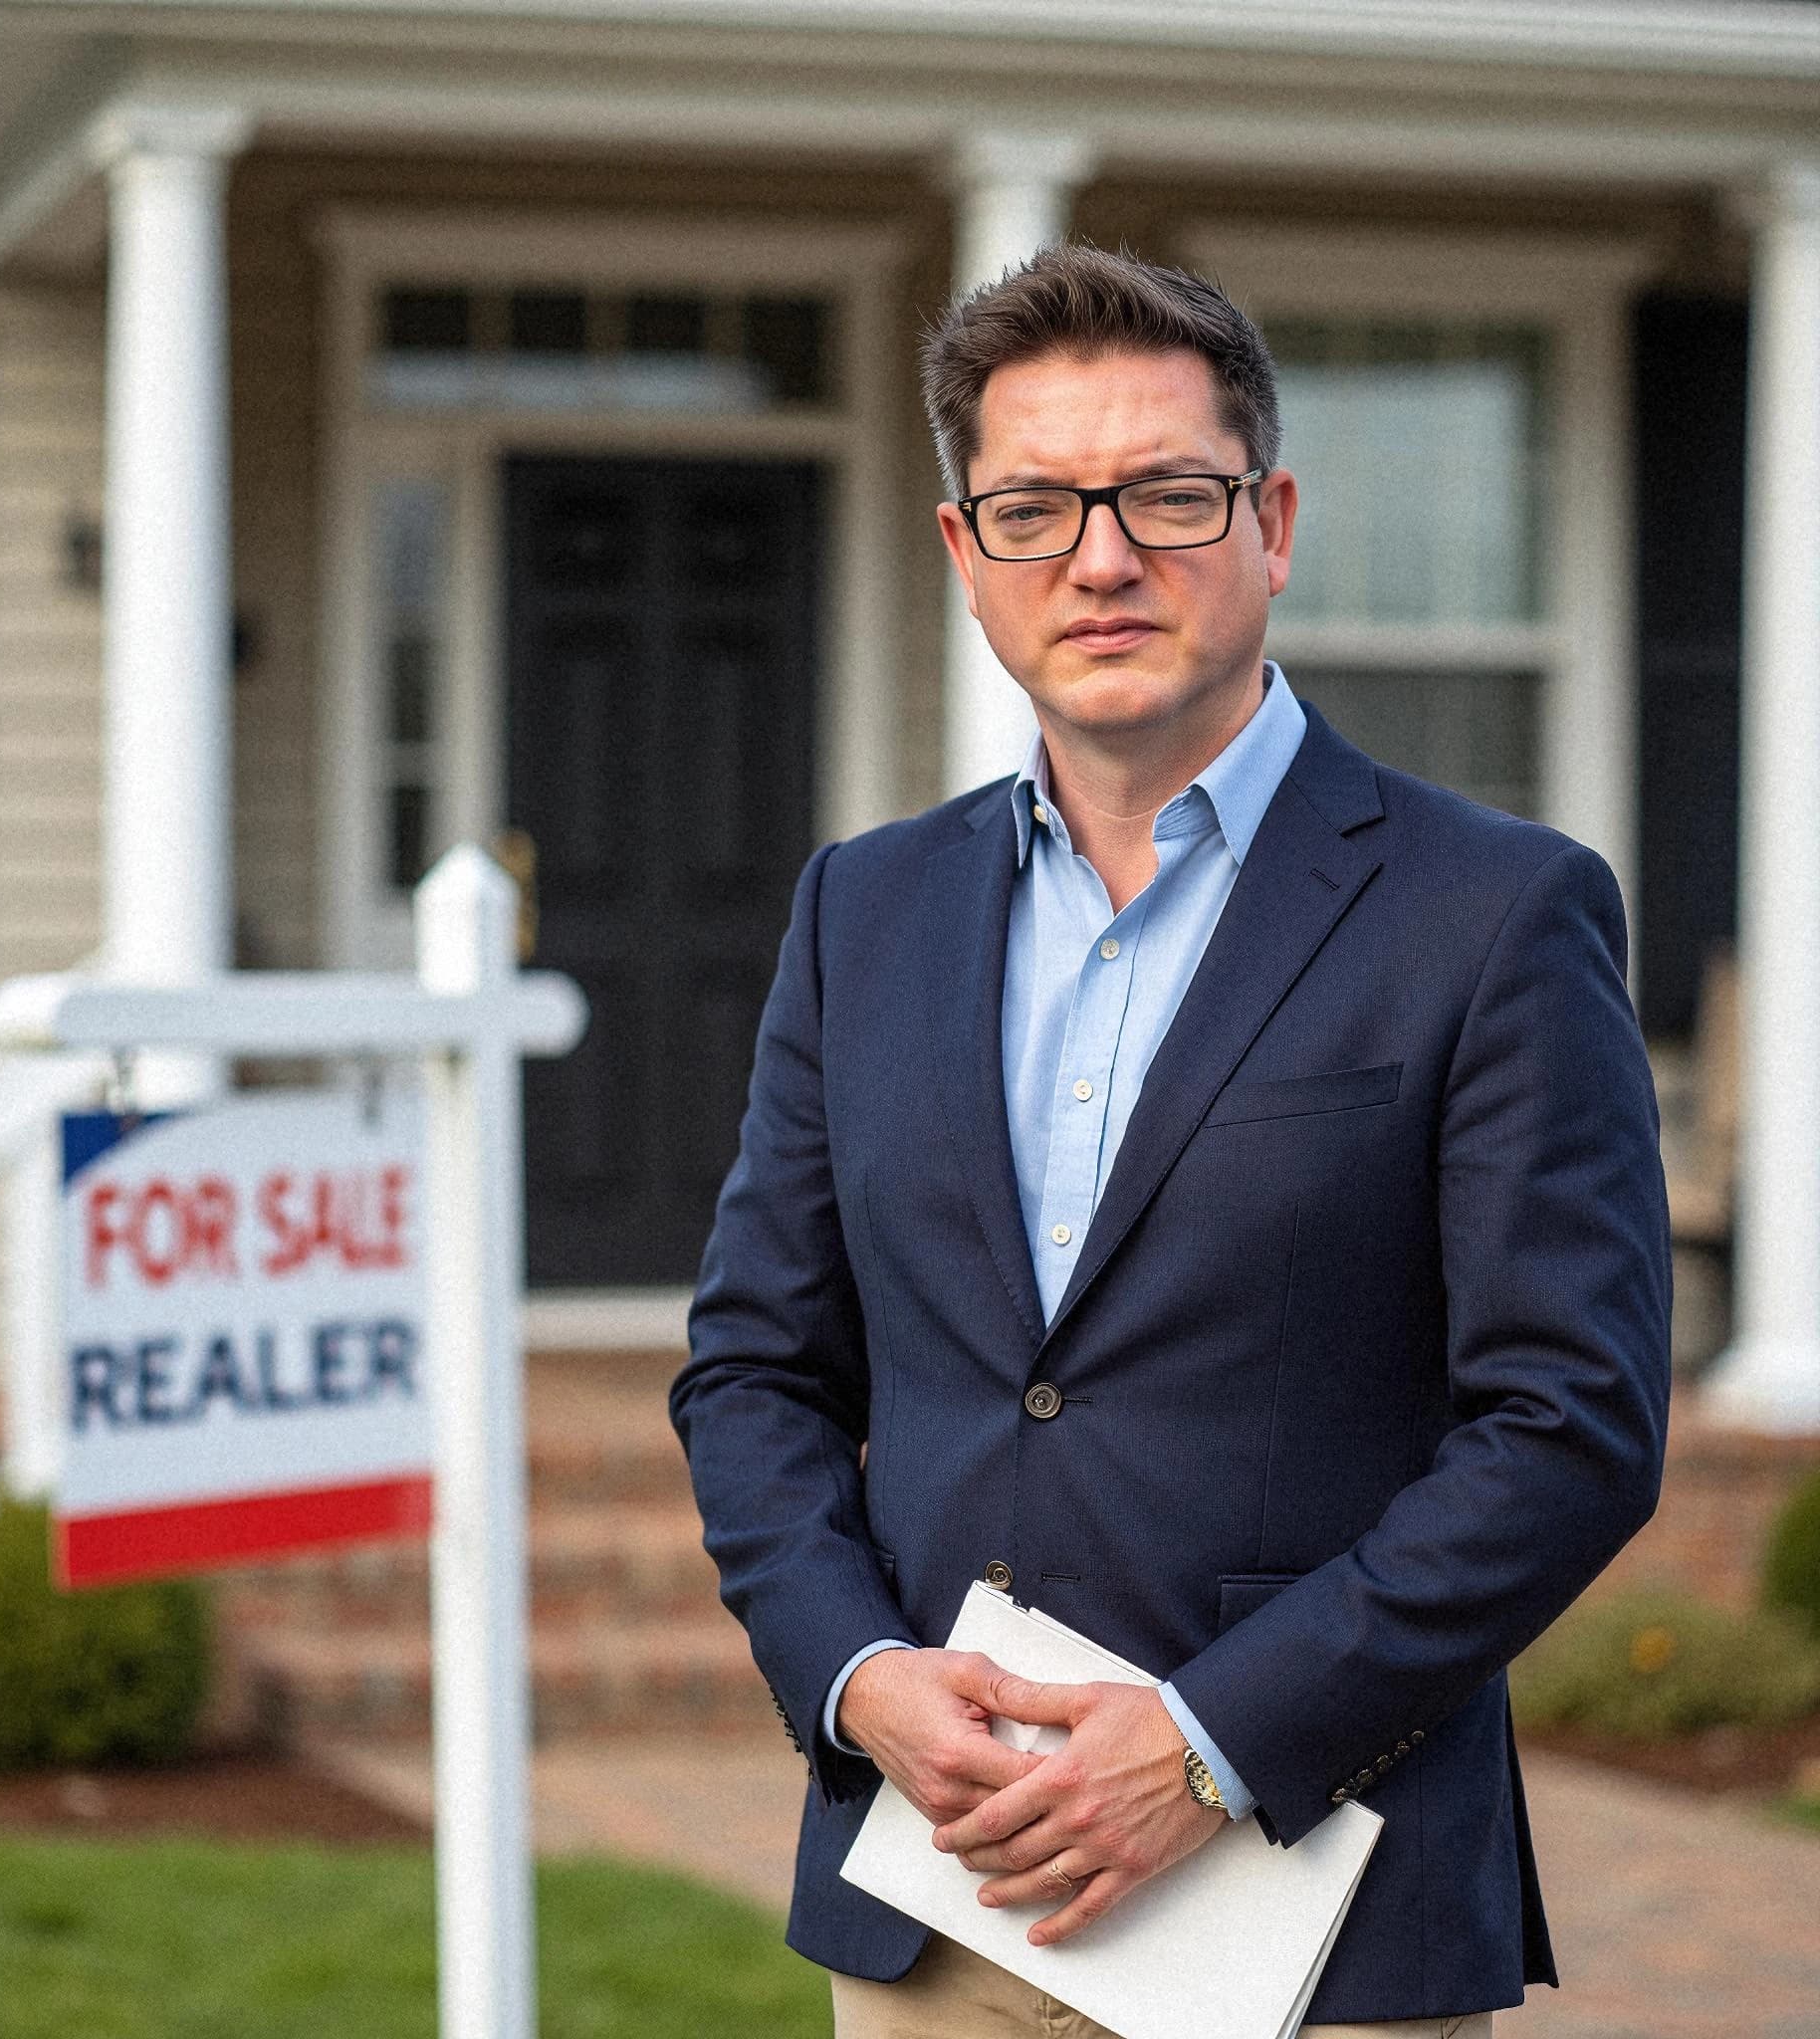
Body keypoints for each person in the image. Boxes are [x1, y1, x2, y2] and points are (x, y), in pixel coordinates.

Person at [669, 243, 1671, 2039]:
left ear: (1272, 520)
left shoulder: (1497, 913)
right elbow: (755, 1370)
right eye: (1035, 506)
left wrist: (1209, 1750)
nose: (1104, 555)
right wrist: (853, 1674)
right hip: (938, 1902)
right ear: (967, 555)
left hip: (1316, 1911)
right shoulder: (862, 912)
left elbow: (1570, 1427)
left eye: (1168, 495)